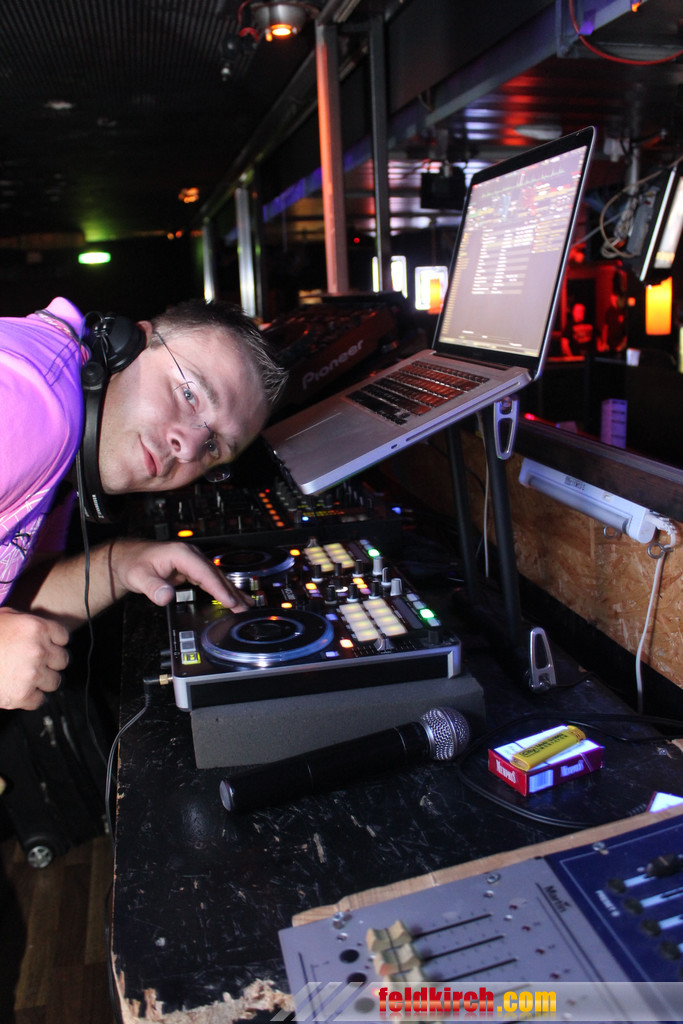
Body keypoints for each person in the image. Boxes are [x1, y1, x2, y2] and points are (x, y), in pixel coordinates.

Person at [0, 296, 287, 711]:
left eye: (213, 447)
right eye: (189, 395)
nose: (189, 447)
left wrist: (119, 564)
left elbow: (19, 609)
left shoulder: (67, 447)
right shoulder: (33, 408)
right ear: (131, 344)